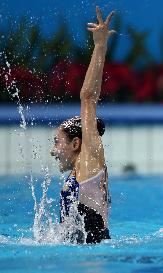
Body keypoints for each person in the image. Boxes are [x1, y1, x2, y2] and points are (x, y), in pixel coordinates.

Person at [50, 7, 115, 244]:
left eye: (57, 143)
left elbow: (88, 97)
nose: (53, 151)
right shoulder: (78, 174)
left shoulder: (90, 164)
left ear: (76, 143)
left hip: (93, 262)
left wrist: (99, 46)